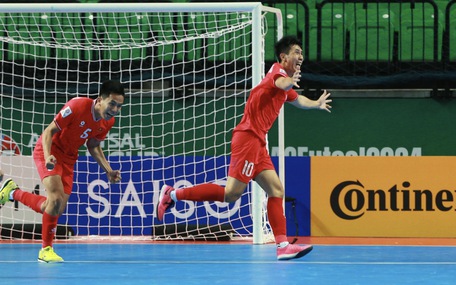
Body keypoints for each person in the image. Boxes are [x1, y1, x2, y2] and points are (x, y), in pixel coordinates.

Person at [157, 36, 332, 260]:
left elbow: (298, 100)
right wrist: (289, 81)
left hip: (258, 143)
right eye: (296, 52)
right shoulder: (277, 73)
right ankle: (172, 194)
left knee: (276, 190)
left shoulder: (283, 82)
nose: (301, 56)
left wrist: (316, 103)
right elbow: (280, 83)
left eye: (301, 53)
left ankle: (283, 246)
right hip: (248, 137)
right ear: (283, 57)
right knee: (231, 194)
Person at [0, 80, 126, 263]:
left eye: (119, 106)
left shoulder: (108, 122)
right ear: (100, 100)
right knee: (56, 199)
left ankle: (12, 192)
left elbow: (94, 146)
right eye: (112, 104)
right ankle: (45, 250)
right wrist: (48, 155)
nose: (115, 110)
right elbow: (49, 131)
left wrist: (107, 170)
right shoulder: (77, 106)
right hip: (50, 151)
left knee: (54, 208)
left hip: (69, 158)